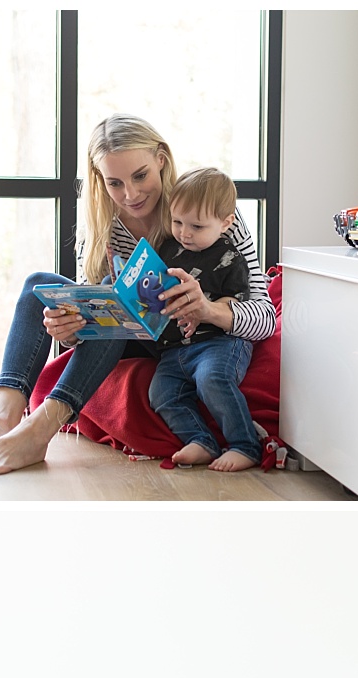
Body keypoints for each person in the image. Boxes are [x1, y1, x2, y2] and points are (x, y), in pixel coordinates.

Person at [0, 114, 276, 476]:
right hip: (129, 337)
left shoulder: (205, 210)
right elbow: (88, 332)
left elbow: (265, 318)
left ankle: (38, 430)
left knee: (114, 322)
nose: (131, 195)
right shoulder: (101, 224)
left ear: (161, 160)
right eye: (115, 183)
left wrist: (208, 309)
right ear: (99, 180)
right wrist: (69, 328)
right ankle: (2, 416)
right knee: (39, 285)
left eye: (140, 176)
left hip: (185, 340)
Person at [148, 167, 260, 472]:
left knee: (212, 379)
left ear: (225, 223)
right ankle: (201, 440)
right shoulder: (169, 249)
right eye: (177, 222)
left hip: (219, 343)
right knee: (161, 392)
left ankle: (245, 445)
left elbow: (235, 300)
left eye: (197, 226)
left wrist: (206, 310)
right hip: (174, 349)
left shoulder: (229, 256)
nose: (184, 232)